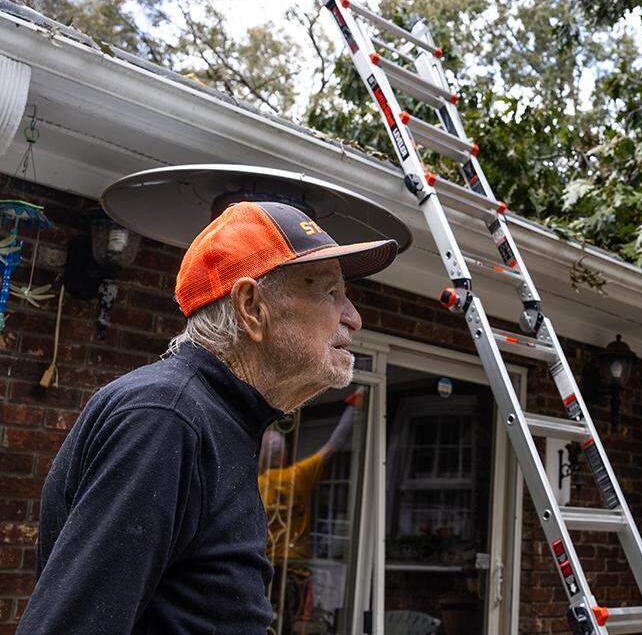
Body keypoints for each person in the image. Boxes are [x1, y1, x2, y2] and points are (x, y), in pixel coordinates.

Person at [20, 201, 399, 633]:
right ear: (251, 306)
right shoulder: (165, 419)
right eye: (329, 292)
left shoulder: (213, 418)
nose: (354, 317)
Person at [259, 388, 361, 631]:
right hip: (294, 569)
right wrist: (354, 406)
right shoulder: (298, 476)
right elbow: (334, 445)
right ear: (284, 455)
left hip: (264, 568)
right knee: (292, 624)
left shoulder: (254, 482)